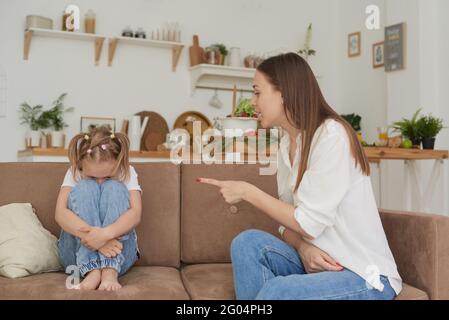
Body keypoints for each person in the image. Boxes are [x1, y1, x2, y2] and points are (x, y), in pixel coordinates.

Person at [199, 52, 402, 300]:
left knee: (278, 291)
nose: (252, 102)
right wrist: (303, 247)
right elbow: (288, 224)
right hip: (320, 263)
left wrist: (247, 191)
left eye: (257, 92)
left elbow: (307, 222)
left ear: (283, 93)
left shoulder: (331, 137)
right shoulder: (287, 144)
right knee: (247, 244)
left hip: (362, 273)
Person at [55, 126, 142, 291]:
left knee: (114, 188)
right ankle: (92, 271)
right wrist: (98, 242)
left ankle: (109, 271)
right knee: (85, 187)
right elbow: (60, 214)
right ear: (80, 165)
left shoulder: (127, 172)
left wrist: (104, 235)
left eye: (107, 176)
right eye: (93, 177)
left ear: (119, 163)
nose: (100, 182)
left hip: (119, 255)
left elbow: (135, 214)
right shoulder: (74, 172)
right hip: (75, 255)